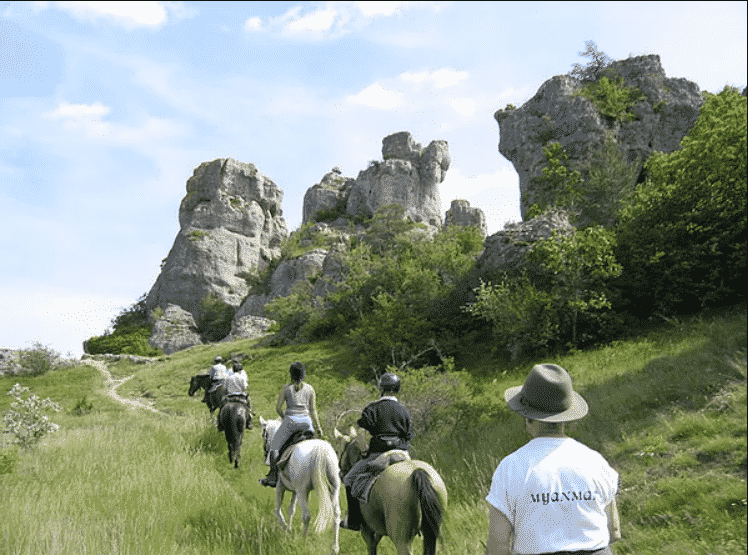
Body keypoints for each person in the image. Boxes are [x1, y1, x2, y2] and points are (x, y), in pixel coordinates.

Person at [485, 364, 621, 555]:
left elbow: (498, 546)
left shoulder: (510, 467)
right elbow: (613, 532)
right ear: (566, 417)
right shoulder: (596, 462)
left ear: (526, 416)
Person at [341, 372, 413, 531]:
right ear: (398, 389)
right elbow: (408, 436)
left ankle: (354, 520)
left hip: (378, 455)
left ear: (381, 388)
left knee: (348, 479)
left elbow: (360, 436)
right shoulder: (404, 410)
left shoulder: (372, 408)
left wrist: (365, 451)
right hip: (402, 454)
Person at [260, 361, 323, 488]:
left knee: (275, 447)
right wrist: (318, 428)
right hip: (307, 423)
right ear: (304, 374)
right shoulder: (310, 389)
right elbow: (313, 410)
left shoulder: (286, 388)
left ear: (290, 374)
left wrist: (285, 418)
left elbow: (278, 408)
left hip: (290, 422)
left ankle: (273, 477)